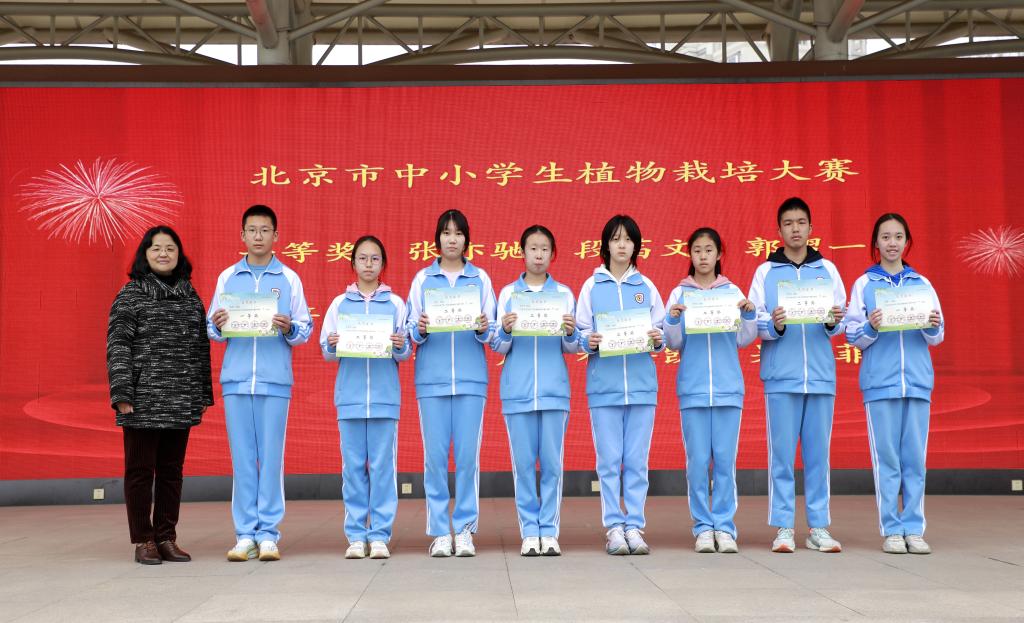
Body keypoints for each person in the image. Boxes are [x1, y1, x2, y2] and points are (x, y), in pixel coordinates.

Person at [207, 204, 312, 562]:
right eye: (252, 230)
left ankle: (268, 533)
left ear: (276, 236)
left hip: (274, 380)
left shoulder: (289, 278)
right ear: (242, 235)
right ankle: (244, 534)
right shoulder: (227, 278)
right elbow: (212, 328)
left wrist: (289, 327)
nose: (258, 236)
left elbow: (304, 329)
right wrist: (218, 324)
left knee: (270, 459)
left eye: (265, 230)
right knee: (242, 459)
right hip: (236, 380)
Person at [106, 225, 213, 565]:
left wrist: (202, 393)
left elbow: (200, 348)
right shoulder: (131, 294)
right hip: (142, 397)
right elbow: (118, 344)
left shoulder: (190, 296)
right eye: (156, 248)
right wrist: (122, 391)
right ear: (145, 254)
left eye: (170, 248)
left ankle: (166, 536)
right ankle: (143, 539)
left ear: (179, 254)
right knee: (140, 471)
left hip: (181, 396)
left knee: (171, 471)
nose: (163, 253)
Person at [748, 197, 847, 553]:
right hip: (781, 377)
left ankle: (818, 527)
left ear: (810, 228)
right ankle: (784, 527)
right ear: (779, 230)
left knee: (819, 457)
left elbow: (841, 319)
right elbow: (754, 320)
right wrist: (773, 325)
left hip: (820, 375)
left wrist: (833, 321)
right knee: (782, 456)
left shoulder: (827, 269)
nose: (795, 229)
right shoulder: (765, 272)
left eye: (800, 222)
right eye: (788, 223)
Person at [845, 213, 944, 554]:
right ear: (876, 242)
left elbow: (937, 335)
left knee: (915, 459)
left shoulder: (922, 284)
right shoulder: (864, 284)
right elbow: (851, 334)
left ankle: (914, 528)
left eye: (898, 236)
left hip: (916, 381)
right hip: (880, 383)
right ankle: (891, 529)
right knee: (887, 459)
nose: (892, 243)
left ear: (907, 241)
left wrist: (932, 325)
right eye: (885, 237)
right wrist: (870, 327)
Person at [406, 209, 496, 557]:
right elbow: (410, 330)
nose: (452, 239)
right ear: (438, 239)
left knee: (468, 459)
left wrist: (482, 327)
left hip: (471, 381)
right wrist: (420, 329)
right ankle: (440, 531)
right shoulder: (422, 279)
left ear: (466, 239)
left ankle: (465, 529)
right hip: (432, 382)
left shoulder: (480, 278)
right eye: (446, 233)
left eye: (458, 233)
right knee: (435, 459)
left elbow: (492, 331)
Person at [575, 214, 665, 555]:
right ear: (606, 245)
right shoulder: (591, 286)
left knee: (637, 461)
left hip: (642, 387)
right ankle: (614, 526)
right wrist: (589, 341)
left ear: (636, 246)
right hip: (604, 388)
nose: (622, 245)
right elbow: (579, 332)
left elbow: (661, 335)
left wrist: (657, 338)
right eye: (616, 239)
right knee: (609, 461)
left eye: (628, 239)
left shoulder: (647, 287)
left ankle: (635, 526)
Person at [663, 227, 756, 554]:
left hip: (729, 389)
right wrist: (672, 320)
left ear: (719, 254)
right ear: (689, 255)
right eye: (697, 250)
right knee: (698, 462)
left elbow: (744, 338)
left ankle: (725, 527)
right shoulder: (680, 294)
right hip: (693, 390)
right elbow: (672, 343)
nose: (703, 256)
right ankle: (703, 526)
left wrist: (748, 315)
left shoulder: (732, 292)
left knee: (725, 462)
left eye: (708, 250)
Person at [490, 225, 580, 556]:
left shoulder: (564, 294)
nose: (538, 255)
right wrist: (505, 329)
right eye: (533, 248)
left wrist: (570, 333)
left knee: (552, 465)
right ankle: (530, 531)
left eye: (544, 249)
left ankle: (549, 531)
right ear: (522, 252)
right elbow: (496, 345)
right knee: (524, 466)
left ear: (552, 254)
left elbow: (574, 346)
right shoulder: (508, 294)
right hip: (517, 392)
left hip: (554, 391)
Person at [320, 235, 411, 560]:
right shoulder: (338, 304)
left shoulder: (396, 304)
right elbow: (326, 351)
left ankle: (380, 535)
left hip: (385, 400)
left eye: (375, 259)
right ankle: (357, 535)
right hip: (350, 400)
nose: (368, 264)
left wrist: (400, 344)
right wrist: (332, 343)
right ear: (353, 263)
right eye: (362, 258)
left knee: (383, 469)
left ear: (383, 264)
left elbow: (406, 351)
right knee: (354, 469)